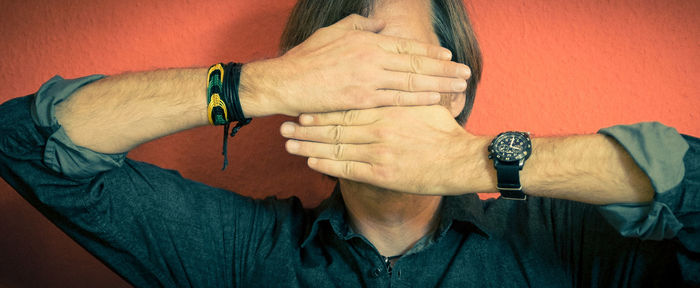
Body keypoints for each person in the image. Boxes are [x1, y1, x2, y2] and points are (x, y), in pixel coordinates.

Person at [0, 0, 697, 287]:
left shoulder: (564, 244)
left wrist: (477, 158)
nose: (370, 92)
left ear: (457, 92)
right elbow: (26, 140)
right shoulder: (242, 251)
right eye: (339, 70)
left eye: (396, 64)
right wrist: (257, 85)